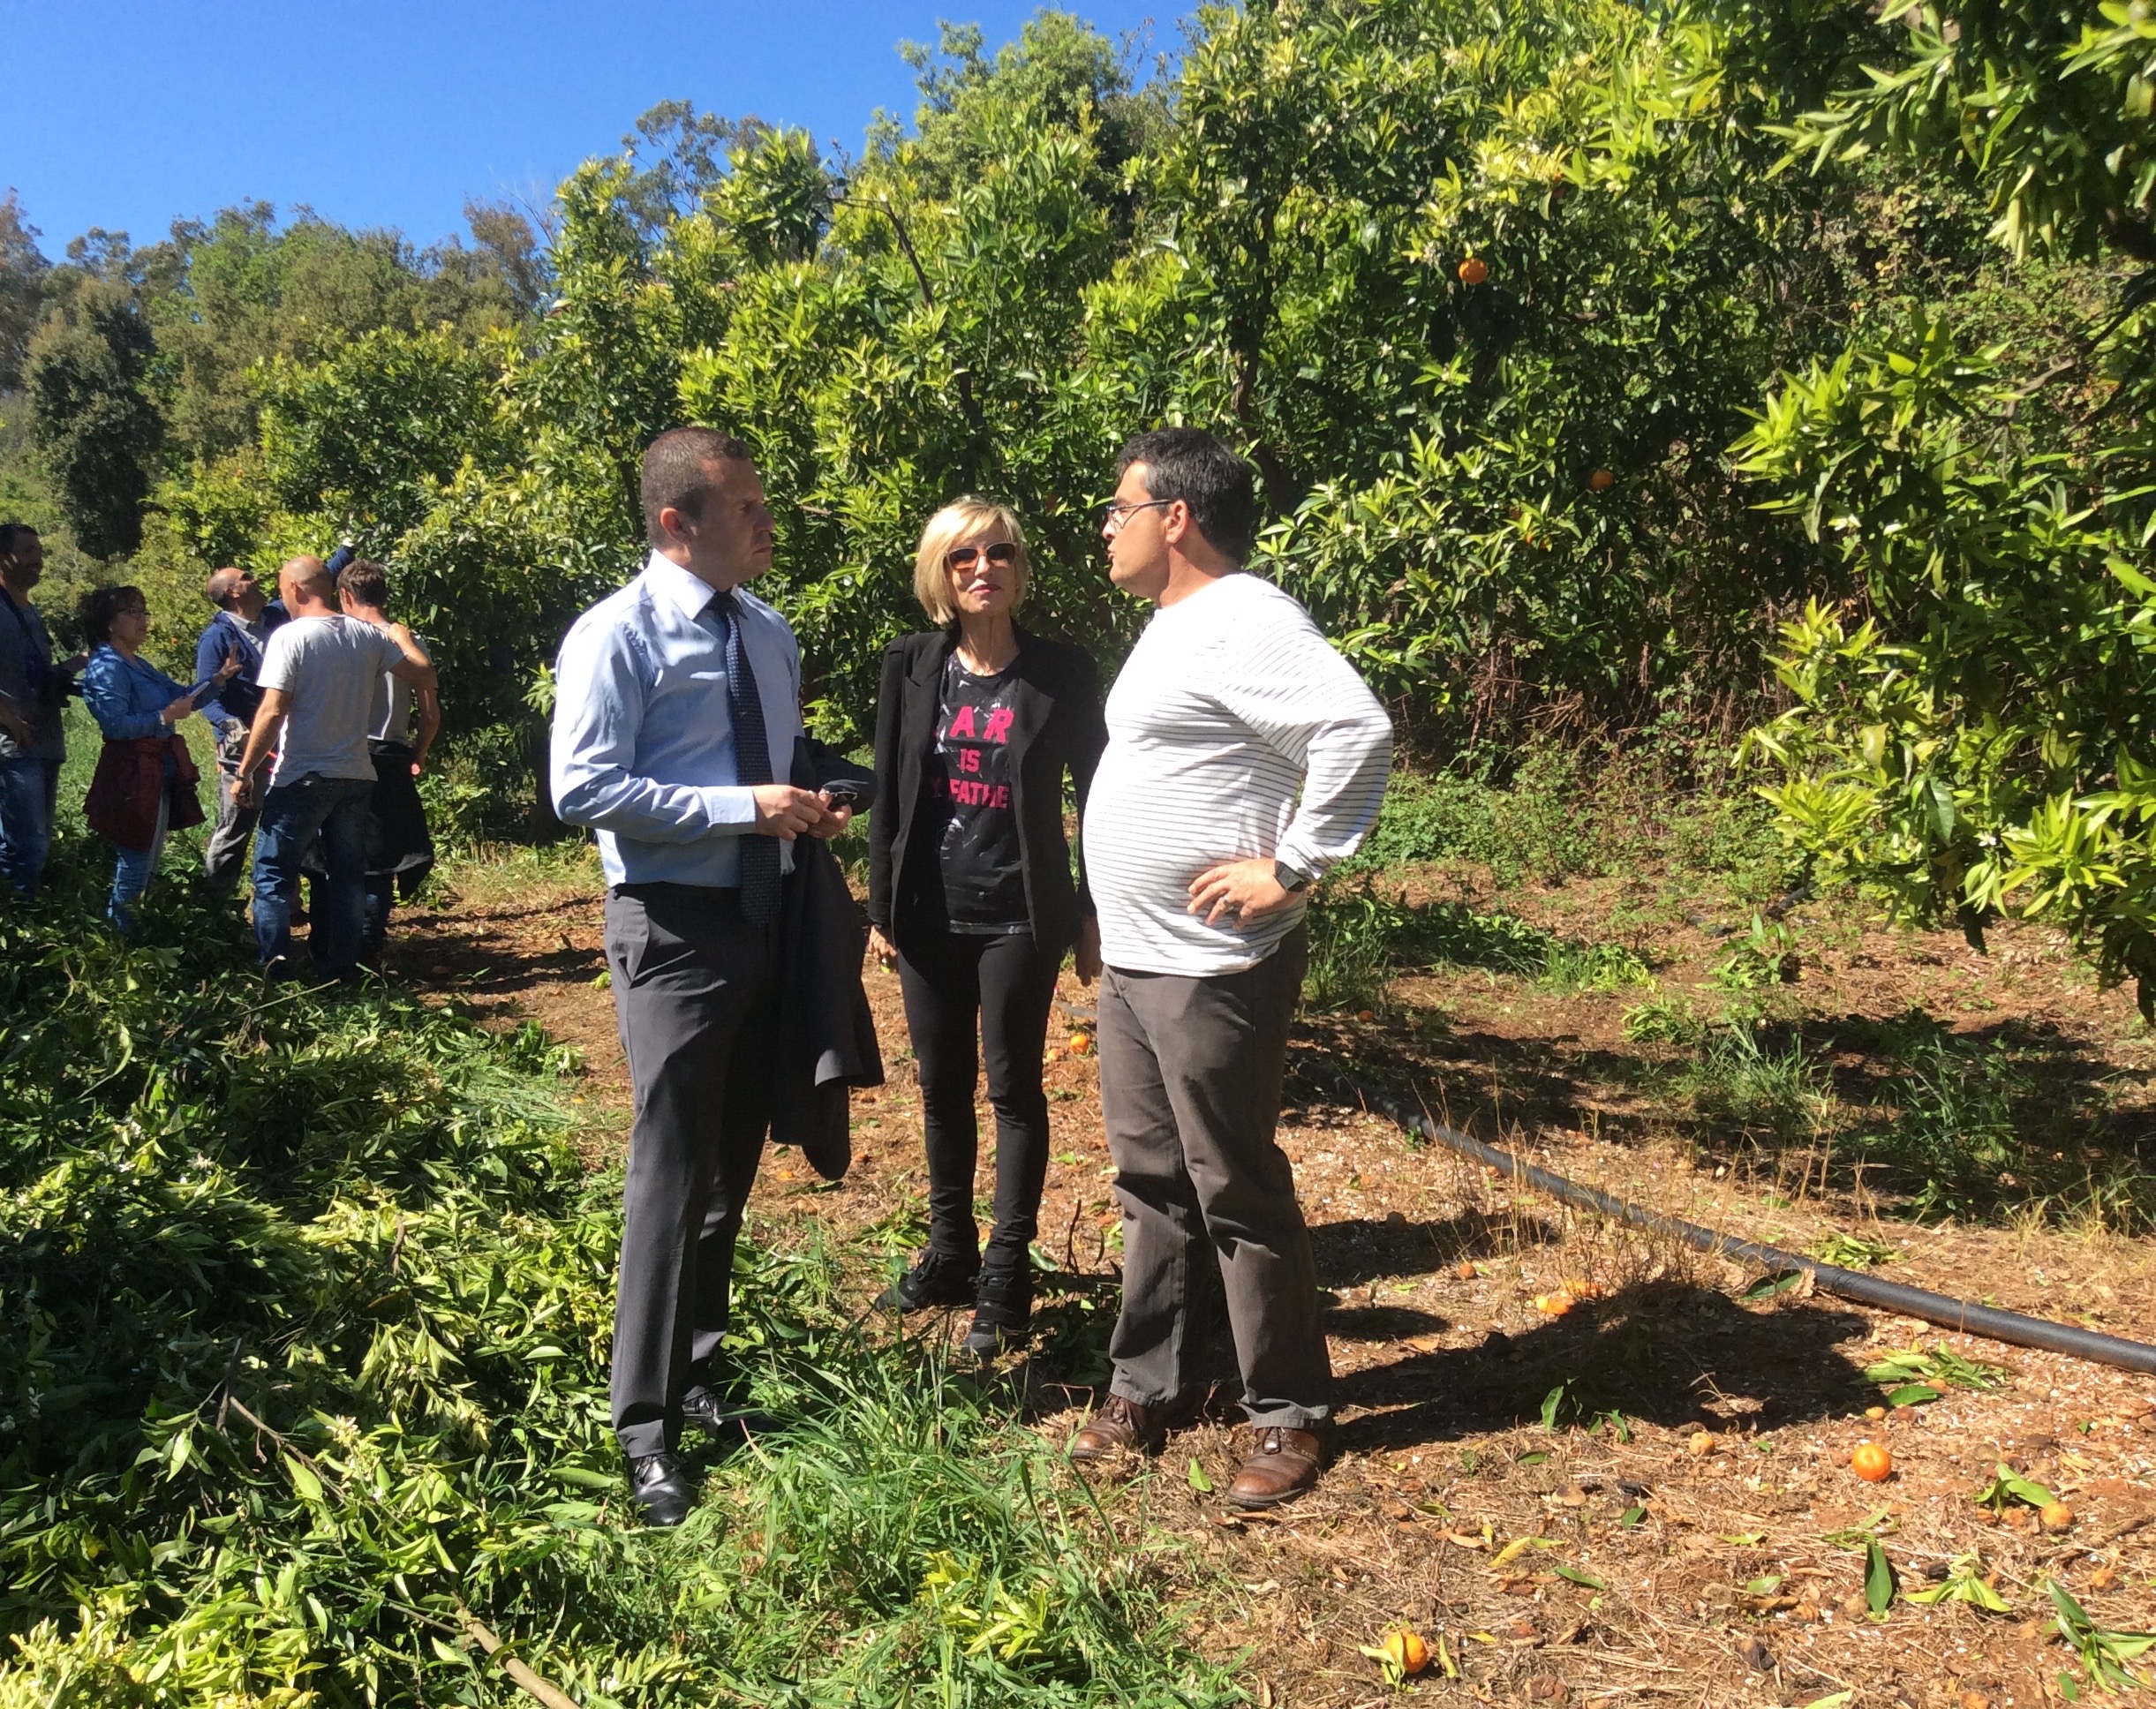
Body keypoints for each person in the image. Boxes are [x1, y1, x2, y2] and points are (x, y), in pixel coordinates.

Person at [1070, 428, 1391, 1509]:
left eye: (1120, 508)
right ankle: (1147, 1384)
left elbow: (1356, 728)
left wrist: (1292, 866)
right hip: (1136, 958)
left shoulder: (1247, 617)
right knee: (1150, 1183)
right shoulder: (1173, 626)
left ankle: (1289, 1410)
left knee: (1236, 1187)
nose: (1105, 528)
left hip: (1210, 964)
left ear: (1176, 518)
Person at [551, 426, 856, 1528]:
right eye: (744, 507)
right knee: (669, 1176)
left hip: (767, 916)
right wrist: (744, 809)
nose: (767, 521)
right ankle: (644, 1434)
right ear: (677, 524)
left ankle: (699, 1372)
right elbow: (581, 785)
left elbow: (783, 759)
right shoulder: (615, 635)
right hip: (674, 929)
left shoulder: (765, 632)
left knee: (730, 1167)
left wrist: (817, 791)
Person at [866, 498, 1107, 1356]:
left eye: (999, 552)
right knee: (939, 1089)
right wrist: (880, 907)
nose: (983, 567)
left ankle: (1007, 1275)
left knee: (1012, 1090)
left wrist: (1090, 913)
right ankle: (951, 1251)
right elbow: (892, 795)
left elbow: (1099, 795)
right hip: (927, 914)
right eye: (964, 555)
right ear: (942, 570)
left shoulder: (1061, 672)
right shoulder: (911, 665)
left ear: (1018, 567)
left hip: (1020, 914)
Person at [228, 557, 435, 980]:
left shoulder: (290, 637)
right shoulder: (366, 636)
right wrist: (404, 639)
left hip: (304, 773)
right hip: (356, 775)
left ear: (296, 589)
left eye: (282, 589)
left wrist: (245, 771)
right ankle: (342, 970)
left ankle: (274, 970)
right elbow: (423, 675)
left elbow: (271, 711)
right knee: (348, 878)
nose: (280, 598)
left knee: (272, 874)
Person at [78, 585, 237, 930]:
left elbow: (182, 697)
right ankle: (123, 943)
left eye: (143, 611)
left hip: (156, 770)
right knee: (135, 860)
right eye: (132, 613)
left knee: (149, 860)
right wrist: (164, 717)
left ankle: (135, 940)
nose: (142, 620)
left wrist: (218, 679)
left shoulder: (138, 662)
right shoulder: (106, 665)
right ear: (108, 623)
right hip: (130, 773)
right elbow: (115, 725)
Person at [332, 558, 440, 964]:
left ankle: (342, 948)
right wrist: (420, 751)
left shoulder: (340, 637)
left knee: (338, 852)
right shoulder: (410, 643)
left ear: (345, 595)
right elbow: (430, 713)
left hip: (345, 751)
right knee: (380, 857)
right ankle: (369, 945)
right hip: (392, 753)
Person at [195, 565, 290, 892]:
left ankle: (284, 900)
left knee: (285, 821)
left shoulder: (274, 616)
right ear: (233, 592)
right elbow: (205, 697)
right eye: (247, 576)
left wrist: (347, 548)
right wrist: (232, 726)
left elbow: (310, 582)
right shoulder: (216, 638)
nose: (257, 579)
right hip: (244, 746)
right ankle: (215, 906)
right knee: (237, 825)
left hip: (284, 740)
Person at [0, 523, 82, 898]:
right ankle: (16, 927)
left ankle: (25, 920)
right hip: (13, 745)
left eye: (39, 551)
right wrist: (11, 721)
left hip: (46, 740)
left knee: (39, 845)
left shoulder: (30, 612)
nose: (38, 560)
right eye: (28, 551)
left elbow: (40, 676)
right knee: (25, 846)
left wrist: (83, 661)